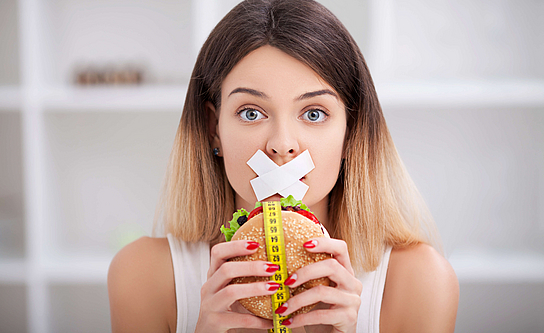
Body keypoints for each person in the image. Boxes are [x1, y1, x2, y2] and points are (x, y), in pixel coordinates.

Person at [107, 0, 459, 332]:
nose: (281, 144)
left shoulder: (419, 281)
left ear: (351, 133)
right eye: (251, 113)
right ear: (214, 129)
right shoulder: (144, 276)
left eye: (314, 113)